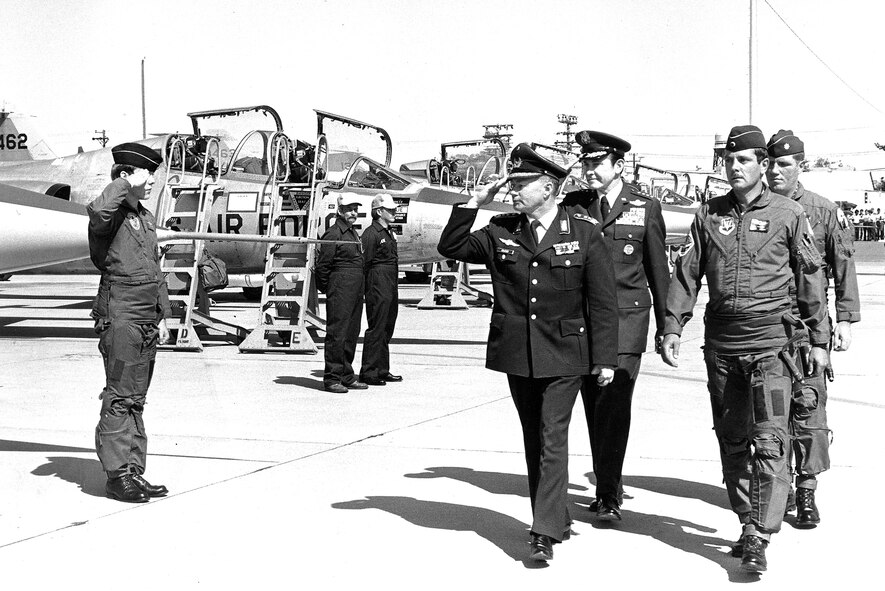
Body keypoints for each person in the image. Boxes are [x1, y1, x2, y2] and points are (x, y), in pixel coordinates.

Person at [438, 143, 619, 562]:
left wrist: (605, 359)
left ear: (549, 188)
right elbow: (452, 247)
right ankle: (556, 517)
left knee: (552, 435)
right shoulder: (500, 229)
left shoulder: (584, 231)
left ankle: (544, 532)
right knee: (534, 436)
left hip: (566, 352)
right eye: (512, 183)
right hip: (518, 352)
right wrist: (473, 203)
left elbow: (603, 302)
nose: (513, 190)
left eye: (522, 184)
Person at [660, 125, 828, 573]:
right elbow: (687, 273)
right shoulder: (708, 214)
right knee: (733, 441)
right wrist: (673, 326)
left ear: (762, 165)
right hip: (722, 346)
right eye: (729, 160)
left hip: (772, 346)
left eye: (744, 160)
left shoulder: (790, 214)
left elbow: (810, 277)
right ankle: (746, 519)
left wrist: (819, 339)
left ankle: (759, 533)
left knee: (770, 441)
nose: (734, 167)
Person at [560, 130, 670, 521]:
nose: (589, 170)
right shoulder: (573, 205)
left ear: (618, 166)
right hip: (582, 323)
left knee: (614, 406)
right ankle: (609, 481)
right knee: (592, 407)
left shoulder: (645, 207)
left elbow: (658, 270)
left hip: (626, 322)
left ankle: (608, 494)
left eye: (597, 163)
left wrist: (667, 327)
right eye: (585, 163)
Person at [765, 130, 861, 526]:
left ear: (800, 166)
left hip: (808, 327)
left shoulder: (823, 211)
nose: (775, 171)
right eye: (771, 163)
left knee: (808, 408)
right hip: (769, 325)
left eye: (784, 164)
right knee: (770, 411)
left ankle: (806, 490)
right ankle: (779, 487)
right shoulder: (758, 208)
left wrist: (846, 320)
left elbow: (843, 265)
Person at [87, 142, 171, 503]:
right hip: (121, 314)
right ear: (125, 176)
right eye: (146, 174)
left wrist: (163, 314)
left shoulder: (144, 217)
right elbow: (97, 212)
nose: (152, 181)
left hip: (146, 317)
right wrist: (124, 182)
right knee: (120, 396)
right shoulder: (110, 214)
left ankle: (133, 471)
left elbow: (154, 269)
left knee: (136, 397)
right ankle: (116, 475)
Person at [315, 194, 368, 393]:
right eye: (348, 209)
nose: (353, 213)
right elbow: (323, 266)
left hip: (354, 289)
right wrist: (330, 289)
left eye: (355, 209)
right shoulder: (333, 233)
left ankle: (346, 376)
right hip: (340, 288)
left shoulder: (353, 233)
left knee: (352, 333)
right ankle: (332, 378)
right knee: (337, 334)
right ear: (339, 211)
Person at [359, 193, 402, 385]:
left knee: (387, 327)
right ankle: (369, 372)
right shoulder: (371, 234)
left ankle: (382, 369)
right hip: (377, 283)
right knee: (377, 327)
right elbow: (365, 262)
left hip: (390, 282)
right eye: (389, 210)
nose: (394, 212)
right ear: (378, 212)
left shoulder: (388, 232)